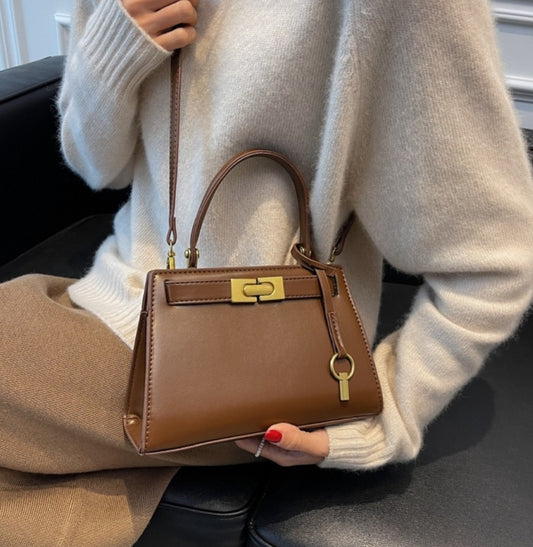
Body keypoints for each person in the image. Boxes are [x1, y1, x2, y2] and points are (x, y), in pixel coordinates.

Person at [1, 0, 533, 544]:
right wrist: (115, 52)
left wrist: (382, 418)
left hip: (255, 370)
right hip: (114, 300)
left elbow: (497, 262)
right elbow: (97, 167)